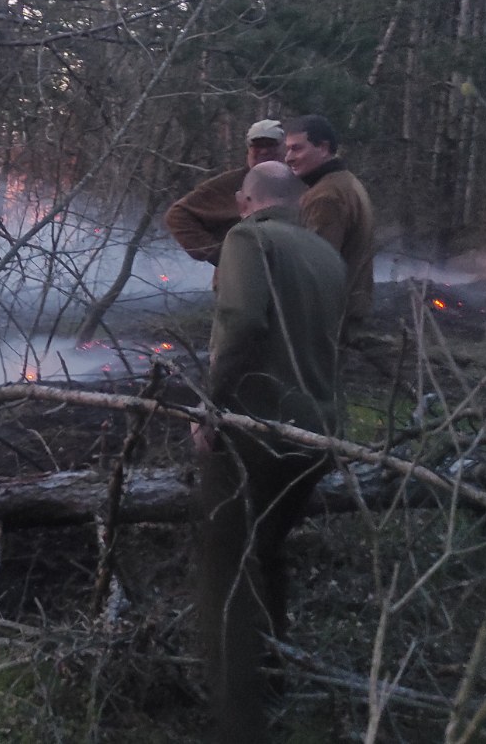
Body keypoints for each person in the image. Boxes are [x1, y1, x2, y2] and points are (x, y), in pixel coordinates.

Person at [194, 161, 345, 743]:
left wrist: (211, 412)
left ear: (246, 200)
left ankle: (238, 721)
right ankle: (277, 680)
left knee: (225, 567)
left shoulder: (246, 236)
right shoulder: (325, 254)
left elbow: (240, 323)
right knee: (269, 552)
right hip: (319, 434)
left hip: (257, 430)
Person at [282, 113, 375, 328]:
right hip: (345, 313)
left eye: (297, 148)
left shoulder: (326, 196)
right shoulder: (346, 182)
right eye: (287, 149)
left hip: (328, 321)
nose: (288, 158)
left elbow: (316, 272)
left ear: (323, 148)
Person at [164, 119, 288, 267]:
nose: (264, 151)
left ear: (284, 148)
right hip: (241, 280)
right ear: (248, 148)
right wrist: (221, 254)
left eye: (271, 144)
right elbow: (177, 215)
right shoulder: (228, 184)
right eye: (257, 145)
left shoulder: (299, 182)